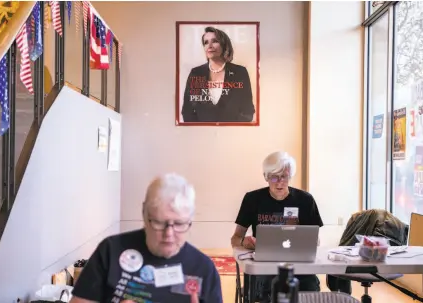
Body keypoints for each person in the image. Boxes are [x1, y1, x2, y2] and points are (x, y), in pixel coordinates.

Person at [70, 173, 223, 303]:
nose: (169, 234)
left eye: (179, 223)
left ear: (190, 220)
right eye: (159, 222)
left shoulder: (203, 269)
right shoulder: (111, 251)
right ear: (144, 213)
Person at [230, 151, 323, 302]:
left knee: (311, 289)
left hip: (298, 266)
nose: (279, 182)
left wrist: (311, 241)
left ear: (290, 176)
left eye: (284, 176)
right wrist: (244, 242)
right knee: (265, 291)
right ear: (266, 177)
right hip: (262, 267)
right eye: (274, 177)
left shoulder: (305, 200)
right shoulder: (252, 199)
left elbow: (316, 240)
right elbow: (235, 239)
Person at [181, 26, 255, 122]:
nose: (209, 45)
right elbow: (187, 111)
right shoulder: (196, 73)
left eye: (215, 41)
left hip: (233, 133)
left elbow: (247, 110)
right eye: (206, 42)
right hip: (201, 134)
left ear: (224, 45)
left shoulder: (240, 73)